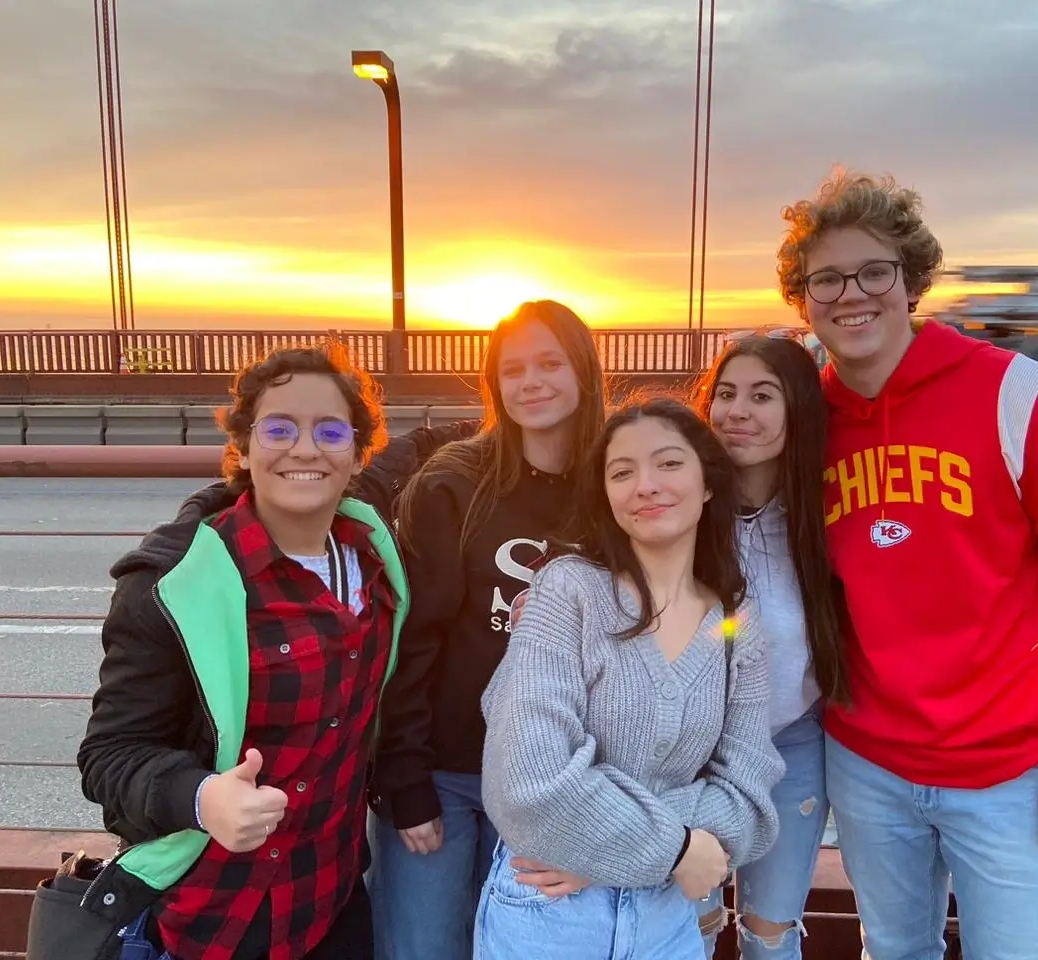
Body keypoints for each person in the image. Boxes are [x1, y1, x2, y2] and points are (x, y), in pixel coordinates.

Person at [776, 169, 1038, 959]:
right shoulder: (802, 419)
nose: (852, 295)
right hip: (867, 761)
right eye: (826, 279)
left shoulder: (1020, 397)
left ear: (911, 281)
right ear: (803, 299)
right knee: (894, 950)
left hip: (1012, 772)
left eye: (875, 271)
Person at [76, 342, 408, 960]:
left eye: (329, 430)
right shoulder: (175, 585)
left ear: (358, 452)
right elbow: (109, 756)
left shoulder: (375, 561)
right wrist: (202, 797)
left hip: (332, 903)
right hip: (215, 917)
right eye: (279, 427)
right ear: (244, 445)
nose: (304, 448)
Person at [475, 397, 785, 959]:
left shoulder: (737, 622)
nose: (645, 485)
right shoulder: (567, 592)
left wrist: (606, 844)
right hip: (549, 911)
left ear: (709, 483)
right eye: (622, 472)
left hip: (667, 918)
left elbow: (751, 802)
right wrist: (679, 848)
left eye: (668, 463)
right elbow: (523, 779)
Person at [366, 300, 608, 960]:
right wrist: (406, 783)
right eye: (513, 369)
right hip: (442, 774)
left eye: (550, 362)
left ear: (584, 370)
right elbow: (411, 645)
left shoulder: (616, 484)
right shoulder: (452, 484)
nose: (531, 381)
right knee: (424, 948)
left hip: (549, 781)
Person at [691, 334, 848, 958]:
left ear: (797, 411)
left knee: (771, 929)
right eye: (725, 394)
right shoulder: (683, 505)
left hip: (792, 742)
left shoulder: (825, 511)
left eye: (762, 396)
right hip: (690, 750)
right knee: (690, 923)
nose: (738, 412)